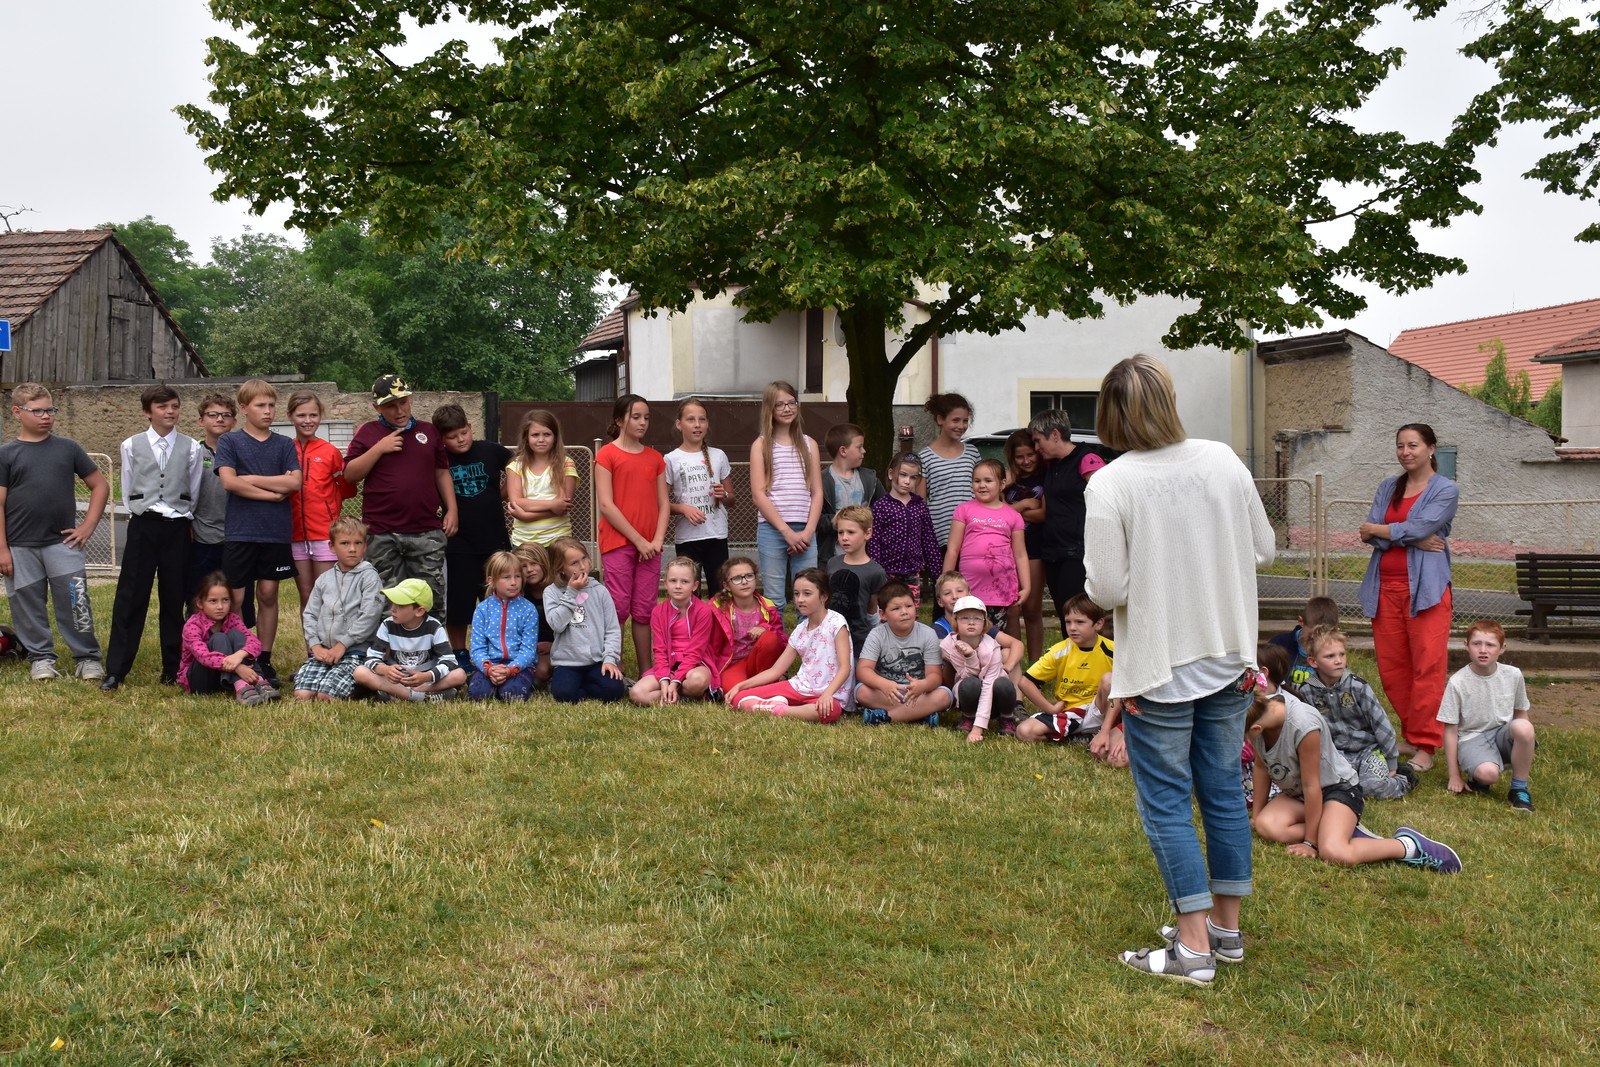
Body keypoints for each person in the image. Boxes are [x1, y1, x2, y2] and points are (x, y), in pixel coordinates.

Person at [1081, 354, 1274, 984]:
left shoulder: (1111, 483)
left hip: (1162, 664)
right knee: (1220, 791)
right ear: (1167, 400)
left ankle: (1193, 949)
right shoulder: (1222, 459)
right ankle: (1226, 930)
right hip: (1228, 655)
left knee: (1166, 802)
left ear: (1110, 414)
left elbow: (1106, 588)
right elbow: (1264, 548)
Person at [1248, 694, 1463, 888]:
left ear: (1255, 730)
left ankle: (1407, 845)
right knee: (1267, 827)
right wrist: (1256, 816)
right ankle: (1336, 828)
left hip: (1337, 790)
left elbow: (1311, 785)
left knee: (1334, 852)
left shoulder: (1303, 725)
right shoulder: (1259, 712)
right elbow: (1261, 767)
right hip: (1299, 794)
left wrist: (1310, 843)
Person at [1358, 423, 1458, 773]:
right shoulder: (1388, 487)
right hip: (1384, 588)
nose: (1405, 452)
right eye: (1400, 445)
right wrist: (1408, 537)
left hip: (1426, 592)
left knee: (1427, 667)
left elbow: (1417, 527)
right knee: (1393, 670)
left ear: (1431, 449)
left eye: (1413, 445)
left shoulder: (1446, 489)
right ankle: (1412, 734)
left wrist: (1385, 531)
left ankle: (1426, 745)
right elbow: (1369, 533)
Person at [0, 384, 110, 681]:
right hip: (19, 546)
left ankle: (87, 658)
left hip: (63, 543)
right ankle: (41, 658)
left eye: (50, 410)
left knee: (76, 602)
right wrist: (2, 549)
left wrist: (87, 526)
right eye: (37, 411)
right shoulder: (6, 454)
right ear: (17, 412)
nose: (46, 416)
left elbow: (100, 486)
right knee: (27, 605)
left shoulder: (68, 448)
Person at [103, 383, 203, 690]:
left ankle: (173, 668)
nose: (170, 411)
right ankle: (116, 669)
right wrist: (140, 510)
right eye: (162, 407)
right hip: (143, 526)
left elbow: (194, 488)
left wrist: (181, 513)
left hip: (176, 527)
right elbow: (128, 484)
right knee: (131, 597)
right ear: (148, 412)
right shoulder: (131, 445)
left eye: (174, 406)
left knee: (174, 598)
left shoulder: (192, 447)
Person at [342, 374, 458, 618]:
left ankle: (432, 642)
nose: (399, 410)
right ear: (377, 408)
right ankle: (389, 642)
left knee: (430, 598)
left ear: (411, 399)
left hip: (425, 529)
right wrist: (379, 449)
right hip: (382, 532)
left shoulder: (428, 431)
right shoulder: (368, 432)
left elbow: (441, 472)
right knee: (386, 601)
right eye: (390, 406)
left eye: (403, 402)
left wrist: (452, 509)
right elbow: (350, 474)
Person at [216, 379, 303, 693]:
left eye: (271, 405)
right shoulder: (230, 441)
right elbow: (230, 482)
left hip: (275, 532)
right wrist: (271, 493)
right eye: (260, 405)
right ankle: (239, 658)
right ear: (243, 408)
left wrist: (250, 478)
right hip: (241, 532)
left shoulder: (284, 444)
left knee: (268, 594)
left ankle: (264, 658)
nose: (267, 411)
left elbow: (294, 483)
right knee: (237, 599)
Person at [1296, 625, 1418, 800]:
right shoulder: (1305, 691)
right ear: (1313, 662)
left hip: (1368, 750)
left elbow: (1382, 725)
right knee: (1333, 789)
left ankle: (1404, 778)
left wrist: (1391, 762)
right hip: (1336, 755)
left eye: (1342, 654)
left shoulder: (1358, 686)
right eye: (1330, 656)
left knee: (1371, 787)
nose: (1338, 660)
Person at [595, 394, 669, 673]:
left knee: (644, 609)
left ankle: (646, 669)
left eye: (646, 417)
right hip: (618, 543)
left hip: (651, 546)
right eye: (636, 417)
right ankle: (615, 667)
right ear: (619, 420)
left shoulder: (655, 458)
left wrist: (657, 540)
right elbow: (606, 505)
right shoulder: (607, 455)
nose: (642, 422)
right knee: (618, 607)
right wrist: (638, 540)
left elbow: (664, 504)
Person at [435, 402, 512, 661]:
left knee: (497, 599)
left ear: (470, 427)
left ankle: (495, 651)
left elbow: (519, 466)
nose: (460, 439)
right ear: (441, 439)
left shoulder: (489, 450)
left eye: (464, 432)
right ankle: (459, 652)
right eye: (452, 436)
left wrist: (503, 494)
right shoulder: (440, 459)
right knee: (458, 603)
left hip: (494, 540)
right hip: (458, 543)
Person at [726, 568, 852, 722]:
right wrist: (741, 686)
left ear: (824, 596)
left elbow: (845, 668)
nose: (800, 599)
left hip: (828, 693)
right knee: (738, 698)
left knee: (830, 711)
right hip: (799, 687)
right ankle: (784, 707)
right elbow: (775, 671)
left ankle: (777, 708)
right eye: (797, 594)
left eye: (807, 594)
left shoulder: (836, 622)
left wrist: (827, 694)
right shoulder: (800, 630)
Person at [1438, 619, 1536, 811]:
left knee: (1524, 727)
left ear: (1502, 648)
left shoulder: (1513, 675)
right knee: (1488, 774)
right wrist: (1454, 775)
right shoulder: (1457, 682)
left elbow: (1521, 712)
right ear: (1466, 646)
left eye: (1490, 645)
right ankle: (1478, 775)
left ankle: (1519, 789)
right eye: (1477, 644)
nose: (1483, 650)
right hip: (1472, 738)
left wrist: (1525, 743)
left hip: (1502, 734)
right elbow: (1450, 730)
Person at [1029, 408, 1107, 634]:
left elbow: (1107, 500)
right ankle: (1070, 657)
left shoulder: (1087, 460)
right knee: (1066, 618)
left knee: (1080, 617)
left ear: (1055, 434)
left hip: (1079, 553)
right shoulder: (1052, 464)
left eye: (1038, 440)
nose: (1036, 448)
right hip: (1054, 553)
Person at [1015, 594, 1120, 761]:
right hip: (1072, 712)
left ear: (1098, 624)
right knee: (1024, 731)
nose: (1072, 628)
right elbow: (1025, 681)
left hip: (1101, 710)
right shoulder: (1060, 651)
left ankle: (1104, 732)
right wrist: (1050, 709)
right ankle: (1080, 736)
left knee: (1110, 680)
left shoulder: (1114, 650)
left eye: (1080, 622)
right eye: (1068, 622)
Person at [292, 516, 385, 702]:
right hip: (324, 652)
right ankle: (332, 676)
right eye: (344, 543)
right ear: (332, 547)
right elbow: (310, 614)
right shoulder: (324, 579)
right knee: (302, 695)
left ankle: (363, 683)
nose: (352, 549)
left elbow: (370, 616)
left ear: (365, 546)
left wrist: (342, 645)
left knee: (325, 696)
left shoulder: (369, 577)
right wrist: (315, 645)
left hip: (355, 653)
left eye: (358, 543)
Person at [748, 380, 822, 608]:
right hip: (773, 530)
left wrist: (808, 532)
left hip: (805, 530)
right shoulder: (760, 446)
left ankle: (807, 634)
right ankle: (776, 634)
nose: (787, 408)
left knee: (808, 596)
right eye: (779, 404)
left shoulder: (809, 444)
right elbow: (758, 495)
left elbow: (817, 492)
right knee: (774, 599)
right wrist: (786, 532)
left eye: (791, 402)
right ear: (770, 409)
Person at [188, 394, 254, 628]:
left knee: (237, 599)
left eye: (226, 415)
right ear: (201, 420)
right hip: (203, 537)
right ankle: (199, 643)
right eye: (213, 414)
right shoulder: (194, 453)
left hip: (238, 537)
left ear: (234, 421)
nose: (220, 419)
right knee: (201, 596)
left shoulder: (244, 451)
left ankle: (239, 643)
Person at [286, 391, 350, 626]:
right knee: (306, 596)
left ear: (320, 416)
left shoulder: (329, 451)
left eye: (313, 415)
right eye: (301, 415)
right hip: (295, 534)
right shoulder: (285, 449)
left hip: (324, 533)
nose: (307, 420)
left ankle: (331, 644)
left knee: (327, 595)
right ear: (290, 416)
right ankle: (311, 647)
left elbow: (347, 488)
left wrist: (329, 509)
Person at [944, 459, 1028, 631]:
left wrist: (1026, 587)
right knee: (968, 633)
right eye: (977, 481)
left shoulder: (1014, 516)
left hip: (1000, 590)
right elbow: (953, 549)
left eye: (988, 480)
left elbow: (1020, 555)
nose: (982, 485)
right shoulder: (963, 510)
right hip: (968, 590)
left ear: (1002, 484)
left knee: (993, 637)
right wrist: (946, 582)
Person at [543, 536, 628, 704]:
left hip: (596, 661)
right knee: (563, 694)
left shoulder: (600, 591)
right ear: (561, 569)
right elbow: (556, 624)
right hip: (567, 663)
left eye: (584, 558)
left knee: (615, 690)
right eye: (574, 563)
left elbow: (612, 629)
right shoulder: (551, 592)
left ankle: (583, 686)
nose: (582, 566)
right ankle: (568, 684)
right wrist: (572, 592)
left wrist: (610, 659)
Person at [353, 578, 467, 702]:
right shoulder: (387, 625)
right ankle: (420, 697)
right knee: (360, 672)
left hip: (426, 681)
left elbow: (449, 661)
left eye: (400, 605)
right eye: (393, 603)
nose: (393, 609)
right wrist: (386, 670)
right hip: (396, 681)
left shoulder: (434, 627)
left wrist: (427, 676)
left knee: (460, 675)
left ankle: (398, 695)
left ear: (419, 611)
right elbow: (371, 658)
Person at [664, 398, 734, 597]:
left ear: (707, 423)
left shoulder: (718, 455)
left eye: (702, 419)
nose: (697, 425)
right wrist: (683, 508)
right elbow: (661, 504)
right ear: (679, 424)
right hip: (687, 538)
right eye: (691, 419)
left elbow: (731, 499)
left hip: (716, 535)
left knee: (720, 594)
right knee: (688, 594)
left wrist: (724, 494)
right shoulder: (671, 459)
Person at [630, 557, 723, 706]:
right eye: (673, 581)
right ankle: (677, 696)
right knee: (637, 694)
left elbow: (696, 652)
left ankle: (678, 692)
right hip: (669, 665)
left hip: (695, 665)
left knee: (697, 681)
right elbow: (659, 651)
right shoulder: (658, 612)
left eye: (685, 581)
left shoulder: (703, 611)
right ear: (666, 584)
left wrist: (674, 682)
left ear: (695, 585)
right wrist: (664, 682)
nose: (678, 586)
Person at [856, 581, 951, 727]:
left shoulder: (928, 634)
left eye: (909, 606)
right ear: (883, 614)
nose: (904, 612)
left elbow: (935, 676)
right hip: (887, 692)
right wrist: (883, 684)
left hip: (918, 692)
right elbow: (863, 670)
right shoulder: (877, 634)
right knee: (861, 692)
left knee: (944, 696)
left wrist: (923, 685)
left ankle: (886, 717)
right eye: (896, 608)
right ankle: (920, 714)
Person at [178, 571, 271, 705]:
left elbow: (255, 643)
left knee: (236, 635)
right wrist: (238, 668)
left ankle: (259, 681)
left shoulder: (233, 619)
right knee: (219, 638)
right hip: (199, 681)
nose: (220, 607)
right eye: (213, 601)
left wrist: (240, 654)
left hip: (222, 677)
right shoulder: (193, 625)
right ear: (200, 603)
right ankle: (241, 686)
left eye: (225, 600)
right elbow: (204, 657)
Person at [868, 452, 943, 610]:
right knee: (888, 612)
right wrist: (876, 573)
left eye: (913, 477)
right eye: (903, 475)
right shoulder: (881, 506)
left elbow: (929, 541)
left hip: (912, 573)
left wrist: (938, 574)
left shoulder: (919, 507)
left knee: (910, 612)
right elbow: (874, 542)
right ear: (891, 474)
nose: (907, 481)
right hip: (886, 574)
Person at [467, 551, 540, 702]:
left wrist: (510, 669)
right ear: (491, 581)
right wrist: (489, 669)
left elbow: (528, 649)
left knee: (512, 695)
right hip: (491, 666)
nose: (513, 582)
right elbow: (477, 647)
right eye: (506, 577)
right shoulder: (482, 609)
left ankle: (520, 683)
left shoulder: (528, 609)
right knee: (478, 694)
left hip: (519, 667)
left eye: (517, 576)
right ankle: (482, 680)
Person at [708, 557, 788, 694]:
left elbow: (782, 641)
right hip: (732, 664)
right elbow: (709, 645)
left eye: (749, 576)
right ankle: (763, 690)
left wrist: (765, 628)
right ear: (727, 585)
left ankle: (765, 683)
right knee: (733, 692)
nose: (744, 581)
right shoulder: (717, 609)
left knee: (770, 638)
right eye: (737, 578)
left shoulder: (768, 607)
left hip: (761, 664)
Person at [1002, 429, 1048, 662]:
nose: (1026, 460)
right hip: (1006, 550)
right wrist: (1024, 504)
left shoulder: (1046, 477)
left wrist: (1013, 511)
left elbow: (1042, 515)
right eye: (1020, 457)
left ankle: (1035, 664)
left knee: (1031, 608)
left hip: (1034, 549)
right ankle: (1014, 663)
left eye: (1030, 454)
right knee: (1012, 609)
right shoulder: (1007, 481)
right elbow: (997, 512)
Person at [942, 595, 1013, 742]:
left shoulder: (992, 647)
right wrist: (970, 656)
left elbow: (988, 685)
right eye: (965, 618)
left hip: (994, 695)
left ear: (985, 623)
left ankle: (1006, 717)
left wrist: (978, 729)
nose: (971, 622)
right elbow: (967, 676)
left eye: (977, 618)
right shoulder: (949, 644)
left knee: (1003, 684)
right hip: (970, 693)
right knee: (970, 683)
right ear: (955, 621)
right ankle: (969, 715)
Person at [916, 392, 979, 555]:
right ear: (940, 419)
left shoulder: (972, 452)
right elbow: (921, 502)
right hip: (940, 536)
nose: (961, 426)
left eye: (965, 420)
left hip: (972, 533)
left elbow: (983, 487)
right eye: (955, 420)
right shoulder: (924, 457)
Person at [505, 408, 577, 548]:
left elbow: (563, 506)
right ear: (526, 438)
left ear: (555, 437)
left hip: (559, 542)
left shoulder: (565, 463)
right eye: (535, 435)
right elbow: (517, 502)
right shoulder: (516, 465)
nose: (541, 439)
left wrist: (526, 516)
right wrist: (552, 505)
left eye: (547, 434)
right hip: (524, 543)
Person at [816, 422, 885, 563]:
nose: (864, 451)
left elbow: (884, 510)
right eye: (859, 447)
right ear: (843, 451)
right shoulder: (821, 482)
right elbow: (816, 519)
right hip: (831, 558)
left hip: (865, 557)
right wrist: (845, 522)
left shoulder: (870, 480)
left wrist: (866, 520)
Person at [826, 504, 887, 656]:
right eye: (840, 532)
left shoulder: (876, 571)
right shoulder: (832, 563)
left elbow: (872, 612)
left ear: (868, 533)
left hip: (859, 642)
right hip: (829, 638)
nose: (844, 537)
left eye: (851, 532)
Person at [1268, 595, 1338, 691]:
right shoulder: (1280, 644)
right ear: (1301, 621)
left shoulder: (1335, 650)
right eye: (1313, 634)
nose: (1318, 639)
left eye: (1326, 634)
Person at [514, 543, 556, 689]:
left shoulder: (559, 590)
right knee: (540, 671)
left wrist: (554, 646)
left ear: (544, 563)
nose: (529, 570)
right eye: (523, 566)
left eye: (534, 563)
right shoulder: (518, 595)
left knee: (542, 671)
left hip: (560, 644)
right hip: (532, 647)